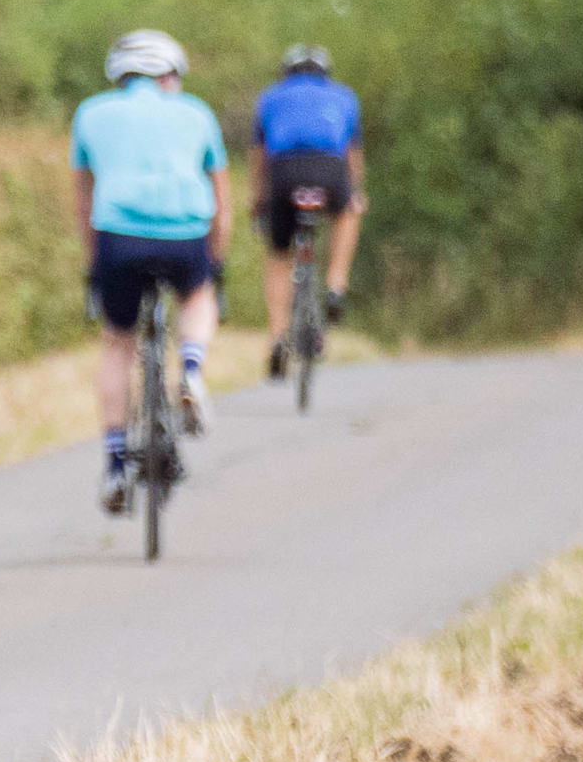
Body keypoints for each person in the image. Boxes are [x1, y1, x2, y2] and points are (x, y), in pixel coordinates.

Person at [71, 28, 229, 514]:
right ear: (169, 76)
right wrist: (215, 263)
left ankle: (116, 462)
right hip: (185, 234)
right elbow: (222, 202)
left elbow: (82, 201)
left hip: (118, 237)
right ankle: (193, 369)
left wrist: (93, 262)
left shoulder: (90, 113)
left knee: (118, 342)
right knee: (196, 296)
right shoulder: (197, 112)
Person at [251, 42, 366, 373]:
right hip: (329, 169)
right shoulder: (343, 95)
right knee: (348, 211)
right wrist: (355, 190)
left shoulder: (271, 96)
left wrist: (258, 200)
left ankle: (277, 334)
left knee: (278, 255)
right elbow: (352, 152)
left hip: (283, 173)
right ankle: (335, 284)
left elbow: (259, 155)